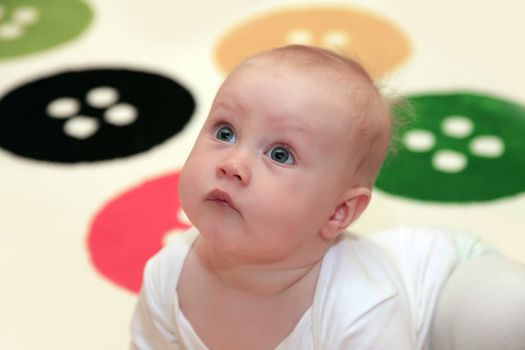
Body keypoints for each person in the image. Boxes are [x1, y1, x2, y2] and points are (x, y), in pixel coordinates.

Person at [130, 45, 525, 350]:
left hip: (444, 295)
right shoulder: (168, 277)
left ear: (338, 212)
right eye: (225, 132)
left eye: (280, 154)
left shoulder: (362, 305)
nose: (233, 163)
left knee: (505, 314)